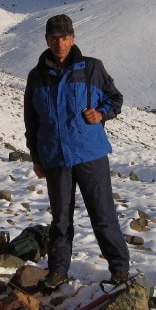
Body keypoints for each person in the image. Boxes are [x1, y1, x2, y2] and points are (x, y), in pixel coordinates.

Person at [24, 14, 130, 291]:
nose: (59, 43)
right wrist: (36, 156)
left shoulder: (92, 69)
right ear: (47, 41)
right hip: (55, 157)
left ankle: (119, 269)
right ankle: (58, 271)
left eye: (64, 38)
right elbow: (31, 120)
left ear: (73, 39)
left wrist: (102, 113)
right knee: (60, 218)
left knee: (103, 214)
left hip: (90, 153)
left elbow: (115, 98)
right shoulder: (36, 77)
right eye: (54, 38)